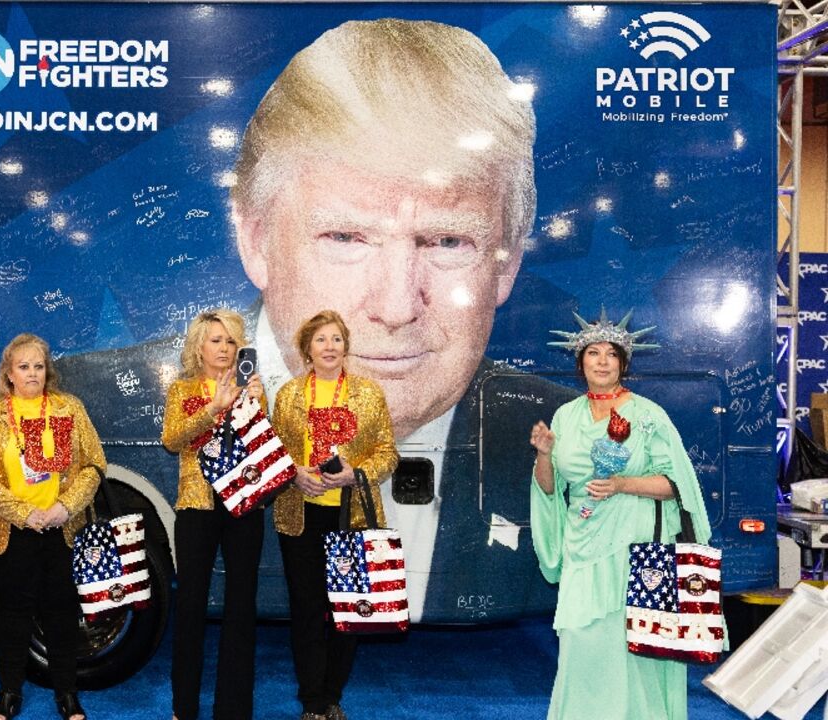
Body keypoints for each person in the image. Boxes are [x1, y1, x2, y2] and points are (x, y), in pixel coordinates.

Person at [230, 17, 576, 622]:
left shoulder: (563, 436)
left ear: (507, 265)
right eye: (345, 236)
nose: (394, 308)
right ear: (256, 241)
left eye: (446, 241)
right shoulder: (101, 409)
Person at [528, 311, 711, 719]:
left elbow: (677, 485)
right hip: (582, 544)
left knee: (637, 646)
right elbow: (548, 487)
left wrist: (622, 484)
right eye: (593, 353)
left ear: (623, 364)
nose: (602, 361)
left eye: (612, 354)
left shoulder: (648, 415)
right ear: (581, 364)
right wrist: (543, 454)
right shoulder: (565, 416)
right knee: (579, 637)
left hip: (636, 547)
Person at [0, 333, 104, 720]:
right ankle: (10, 693)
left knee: (62, 614)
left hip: (61, 529)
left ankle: (68, 694)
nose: (32, 374)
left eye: (38, 366)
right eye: (23, 367)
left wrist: (65, 506)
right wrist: (21, 512)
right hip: (13, 532)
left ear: (48, 371)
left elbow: (94, 466)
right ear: (8, 374)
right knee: (12, 616)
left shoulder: (68, 409)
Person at [270, 311, 399, 720]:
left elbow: (388, 453)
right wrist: (295, 476)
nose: (329, 347)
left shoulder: (368, 394)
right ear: (307, 348)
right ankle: (311, 703)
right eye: (321, 340)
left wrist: (355, 474)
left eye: (337, 339)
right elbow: (274, 456)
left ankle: (332, 698)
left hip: (352, 517)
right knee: (306, 611)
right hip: (301, 519)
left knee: (348, 610)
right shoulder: (289, 395)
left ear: (346, 347)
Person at [160, 309, 265, 720]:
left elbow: (262, 449)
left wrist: (254, 405)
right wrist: (211, 408)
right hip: (197, 506)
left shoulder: (251, 388)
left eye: (231, 341)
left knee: (241, 607)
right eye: (216, 340)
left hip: (244, 505)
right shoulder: (182, 389)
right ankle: (183, 709)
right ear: (198, 346)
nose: (224, 348)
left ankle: (234, 711)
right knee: (190, 607)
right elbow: (171, 439)